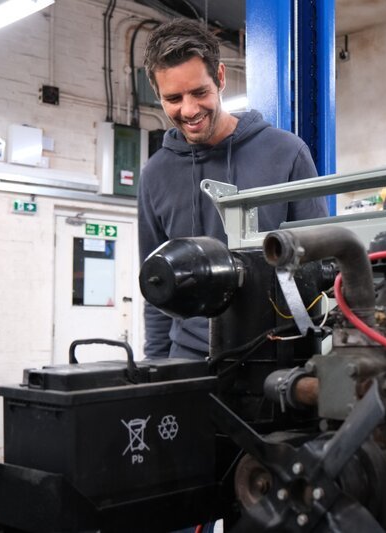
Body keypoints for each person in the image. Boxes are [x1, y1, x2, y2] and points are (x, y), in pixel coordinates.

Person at [139, 19, 328, 360]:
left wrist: (312, 358)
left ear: (221, 77)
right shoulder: (155, 175)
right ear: (158, 96)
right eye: (174, 98)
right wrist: (155, 365)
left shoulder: (286, 153)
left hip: (276, 353)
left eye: (200, 92)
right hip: (190, 359)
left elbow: (319, 265)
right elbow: (156, 286)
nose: (189, 110)